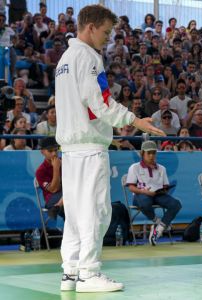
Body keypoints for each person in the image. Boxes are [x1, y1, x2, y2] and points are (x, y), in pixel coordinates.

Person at [55, 5, 164, 293]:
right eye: (105, 32)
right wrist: (133, 119)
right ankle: (89, 274)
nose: (108, 38)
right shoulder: (89, 57)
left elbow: (82, 107)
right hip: (89, 150)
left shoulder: (65, 59)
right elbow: (99, 102)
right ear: (90, 27)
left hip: (70, 149)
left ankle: (71, 272)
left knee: (77, 214)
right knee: (95, 212)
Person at [126, 141, 182, 245]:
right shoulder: (134, 167)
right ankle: (157, 221)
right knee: (145, 203)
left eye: (154, 153)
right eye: (149, 153)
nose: (152, 156)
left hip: (158, 195)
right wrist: (144, 191)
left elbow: (165, 185)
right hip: (140, 195)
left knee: (176, 204)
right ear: (142, 153)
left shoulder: (162, 168)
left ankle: (159, 228)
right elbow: (131, 187)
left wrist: (164, 189)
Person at [35, 137, 65, 220]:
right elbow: (54, 189)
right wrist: (56, 168)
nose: (54, 154)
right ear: (42, 152)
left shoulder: (65, 162)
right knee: (71, 204)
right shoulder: (40, 171)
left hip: (68, 194)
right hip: (52, 198)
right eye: (50, 151)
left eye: (56, 150)